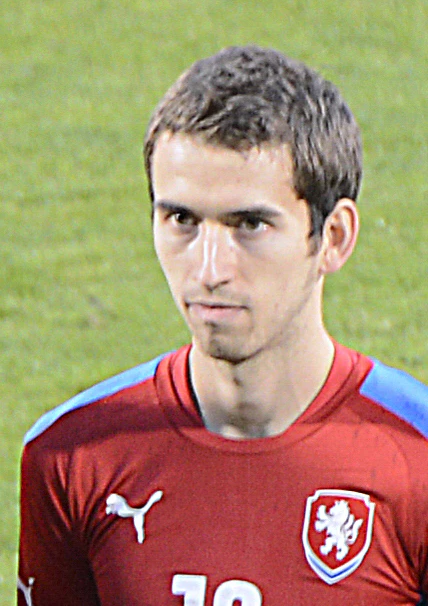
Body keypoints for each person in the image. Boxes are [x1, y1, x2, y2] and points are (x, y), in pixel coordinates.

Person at [18, 45, 428, 606]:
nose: (209, 270)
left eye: (250, 224)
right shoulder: (72, 456)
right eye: (181, 219)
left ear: (333, 238)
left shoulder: (416, 460)